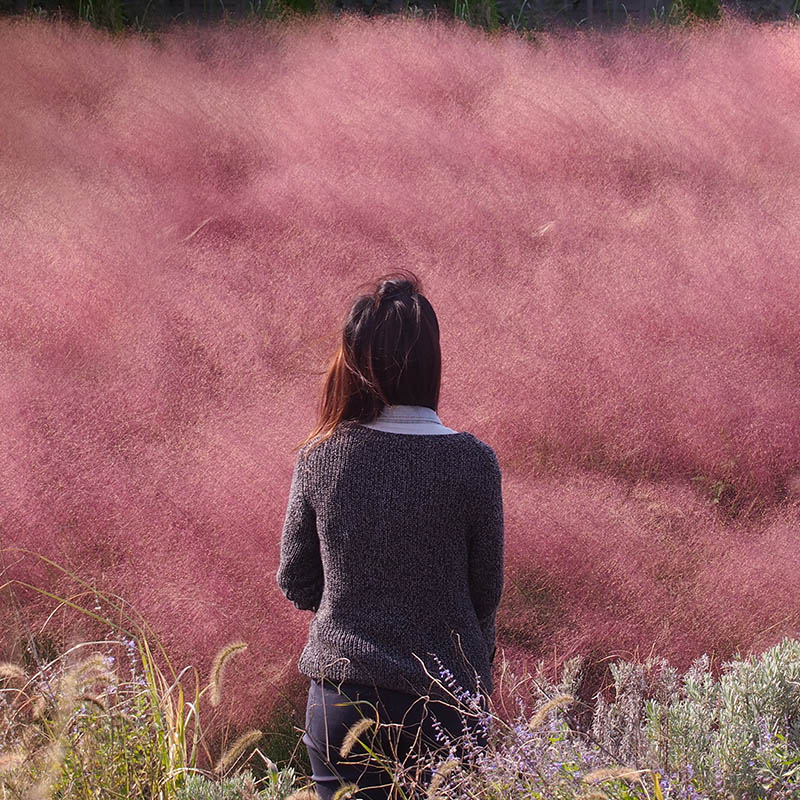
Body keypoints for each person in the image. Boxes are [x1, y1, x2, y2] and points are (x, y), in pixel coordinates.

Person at [276, 271, 505, 800]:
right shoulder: (473, 463)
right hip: (446, 709)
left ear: (354, 363)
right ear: (432, 364)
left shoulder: (323, 458)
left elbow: (297, 581)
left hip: (343, 700)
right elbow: (485, 591)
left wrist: (358, 594)